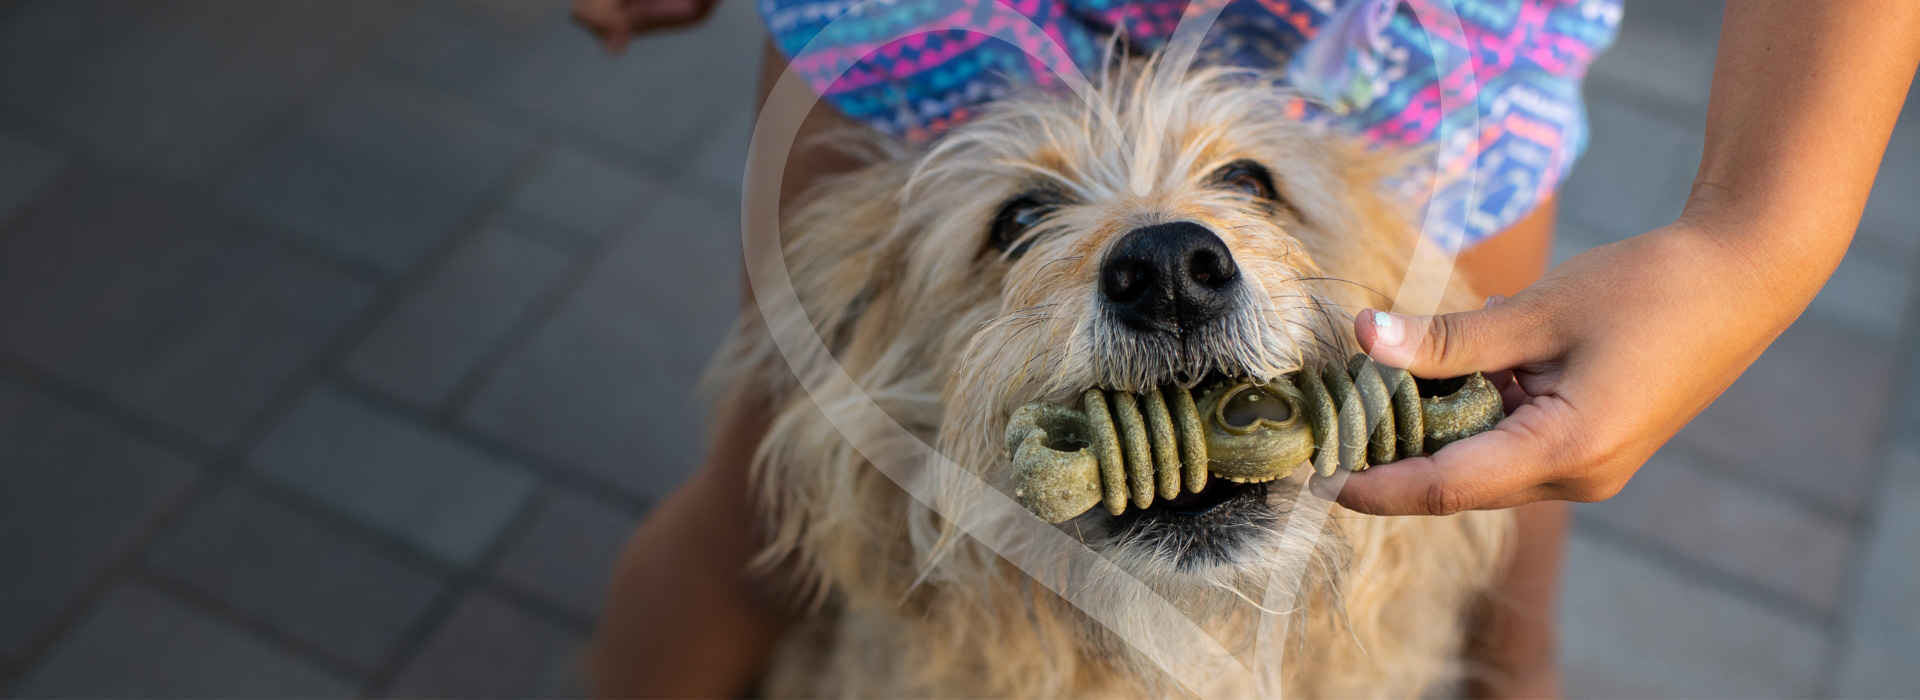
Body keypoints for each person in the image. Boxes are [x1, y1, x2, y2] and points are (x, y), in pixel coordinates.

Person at [573, 0, 1920, 697]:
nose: (1169, 260)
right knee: (770, 514)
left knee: (1504, 532)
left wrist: (1755, 237)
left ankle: (1519, 681)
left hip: (1412, 32)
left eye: (1248, 193)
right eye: (1021, 219)